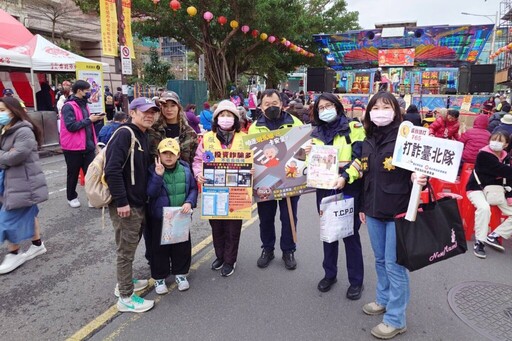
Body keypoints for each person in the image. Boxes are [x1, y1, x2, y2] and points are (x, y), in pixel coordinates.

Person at [359, 91, 427, 339]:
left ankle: (396, 318)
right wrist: (363, 207)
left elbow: (415, 170)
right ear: (368, 112)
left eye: (385, 107)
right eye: (375, 108)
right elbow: (365, 173)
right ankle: (383, 299)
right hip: (374, 210)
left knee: (395, 265)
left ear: (396, 111)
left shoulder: (405, 137)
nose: (380, 112)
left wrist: (417, 177)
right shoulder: (367, 139)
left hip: (398, 210)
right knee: (379, 260)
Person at [307, 93, 365, 300]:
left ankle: (356, 281)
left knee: (350, 235)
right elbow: (311, 166)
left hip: (348, 188)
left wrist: (344, 177)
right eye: (320, 108)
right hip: (324, 189)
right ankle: (329, 274)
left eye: (328, 106)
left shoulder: (354, 129)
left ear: (338, 107)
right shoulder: (315, 133)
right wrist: (304, 156)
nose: (325, 110)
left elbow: (361, 159)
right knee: (328, 233)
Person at [105, 97, 159, 313]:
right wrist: (122, 201)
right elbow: (112, 170)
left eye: (152, 112)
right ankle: (126, 297)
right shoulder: (125, 133)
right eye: (144, 111)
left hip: (137, 203)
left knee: (131, 246)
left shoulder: (142, 135)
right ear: (133, 112)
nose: (149, 115)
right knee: (125, 251)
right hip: (126, 205)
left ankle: (123, 283)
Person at [248, 89, 303, 270]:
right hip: (265, 181)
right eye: (267, 104)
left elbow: (303, 146)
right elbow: (250, 154)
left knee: (289, 217)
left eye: (275, 104)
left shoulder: (294, 122)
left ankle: (288, 250)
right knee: (265, 217)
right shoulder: (255, 127)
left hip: (289, 178)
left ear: (282, 104)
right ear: (260, 106)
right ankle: (268, 249)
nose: (271, 107)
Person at [193, 100, 248, 277]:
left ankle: (230, 260)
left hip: (237, 193)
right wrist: (198, 174)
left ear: (236, 118)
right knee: (216, 227)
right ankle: (219, 256)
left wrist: (252, 169)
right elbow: (198, 161)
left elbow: (255, 160)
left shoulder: (245, 139)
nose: (225, 118)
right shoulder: (207, 138)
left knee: (233, 229)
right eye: (222, 115)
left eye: (229, 115)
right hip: (213, 192)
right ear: (216, 119)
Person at [0, 97, 48, 274]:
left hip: (23, 182)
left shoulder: (23, 131)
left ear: (13, 110)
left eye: (2, 110)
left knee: (6, 219)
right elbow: (8, 156)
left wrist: (5, 156)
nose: (0, 114)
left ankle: (14, 252)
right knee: (30, 212)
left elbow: (16, 156)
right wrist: (6, 155)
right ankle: (37, 244)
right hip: (12, 180)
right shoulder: (7, 129)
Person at [147, 138, 197, 293]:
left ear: (178, 154)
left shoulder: (186, 169)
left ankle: (181, 274)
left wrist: (189, 202)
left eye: (172, 153)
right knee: (159, 249)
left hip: (180, 217)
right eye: (165, 153)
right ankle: (159, 278)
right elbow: (150, 193)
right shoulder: (152, 170)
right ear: (159, 155)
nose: (168, 157)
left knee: (181, 247)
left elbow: (193, 189)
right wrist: (158, 176)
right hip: (160, 218)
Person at [466, 131, 512, 258]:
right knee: (484, 208)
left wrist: (509, 196)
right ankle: (480, 242)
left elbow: (508, 178)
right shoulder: (484, 155)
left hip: (495, 191)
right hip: (477, 188)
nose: (495, 143)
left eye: (500, 140)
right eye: (494, 139)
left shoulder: (506, 157)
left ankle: (494, 235)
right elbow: (501, 170)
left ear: (506, 144)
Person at [60, 80, 104, 208]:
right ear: (79, 91)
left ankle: (92, 198)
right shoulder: (68, 106)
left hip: (87, 145)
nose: (89, 93)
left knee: (91, 174)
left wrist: (95, 120)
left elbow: (87, 125)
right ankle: (71, 197)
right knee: (73, 173)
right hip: (73, 147)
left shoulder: (85, 105)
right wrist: (89, 120)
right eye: (87, 91)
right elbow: (71, 126)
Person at [148, 92, 198, 165]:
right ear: (161, 108)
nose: (169, 109)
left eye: (173, 105)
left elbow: (195, 161)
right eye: (165, 106)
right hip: (157, 174)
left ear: (178, 107)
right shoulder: (153, 130)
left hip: (183, 174)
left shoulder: (190, 133)